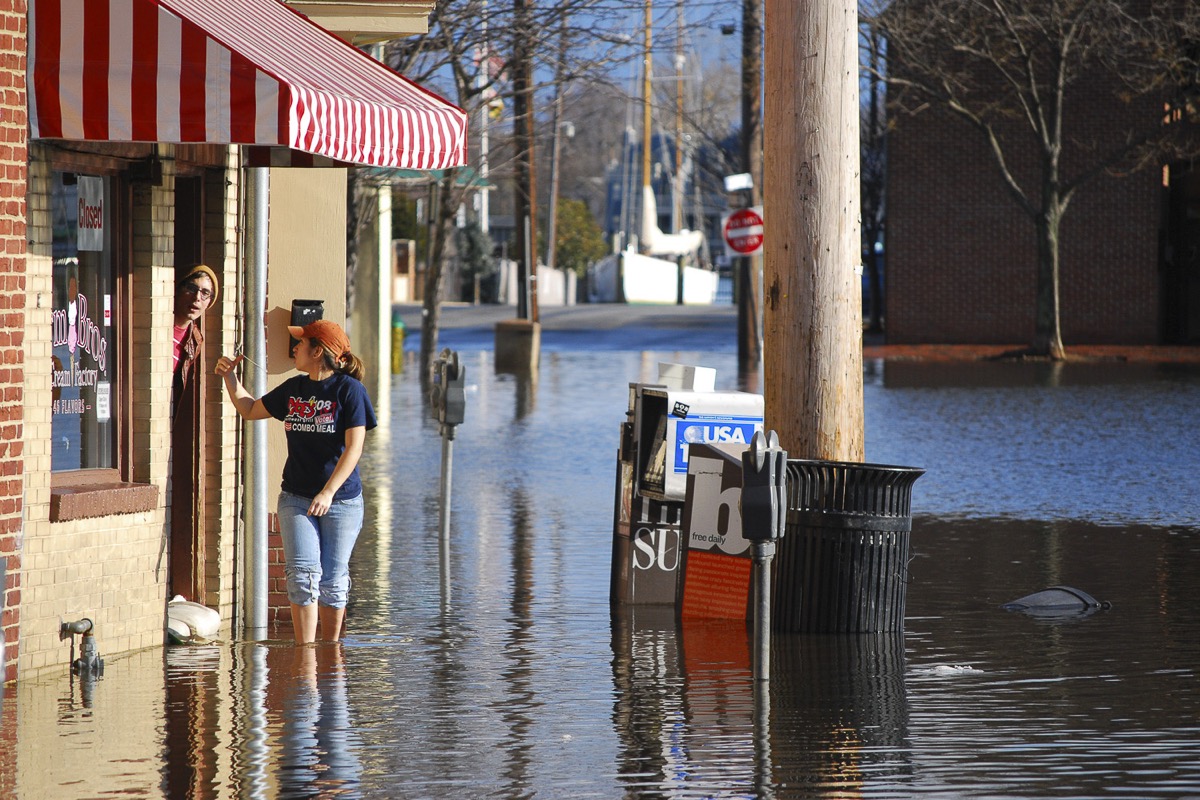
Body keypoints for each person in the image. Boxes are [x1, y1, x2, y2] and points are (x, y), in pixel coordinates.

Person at [215, 319, 377, 643]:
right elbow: (249, 409)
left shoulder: (350, 391)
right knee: (303, 576)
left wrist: (329, 492)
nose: (295, 349)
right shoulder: (294, 389)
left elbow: (355, 448)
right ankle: (306, 659)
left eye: (301, 344)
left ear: (318, 351)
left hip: (342, 500)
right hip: (296, 498)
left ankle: (330, 654)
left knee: (332, 579)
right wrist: (229, 377)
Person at [171, 265, 218, 602]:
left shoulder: (194, 339)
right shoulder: (160, 325)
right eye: (192, 288)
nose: (196, 298)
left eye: (205, 294)